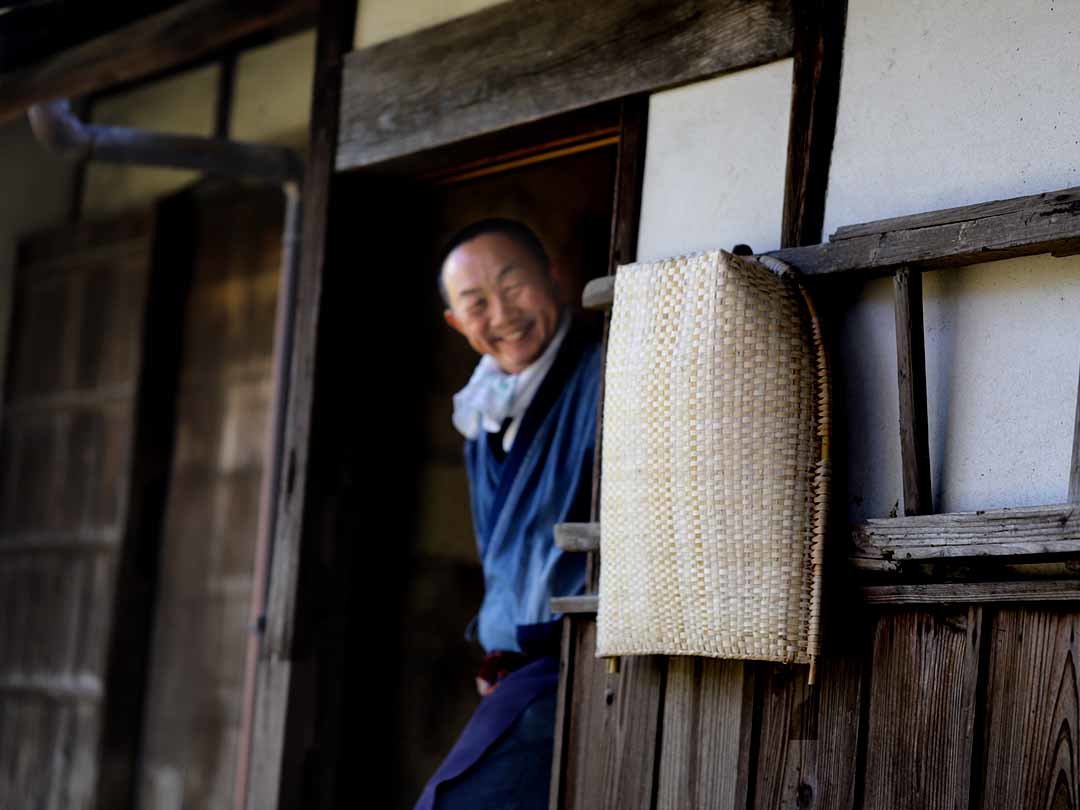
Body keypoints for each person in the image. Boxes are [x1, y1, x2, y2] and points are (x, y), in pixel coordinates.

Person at [414, 219, 601, 810]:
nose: (502, 313)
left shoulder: (606, 372)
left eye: (512, 283)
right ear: (455, 323)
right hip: (513, 675)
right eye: (476, 303)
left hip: (579, 664)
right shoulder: (483, 413)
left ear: (553, 276)